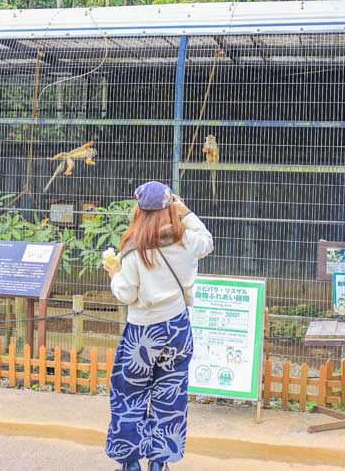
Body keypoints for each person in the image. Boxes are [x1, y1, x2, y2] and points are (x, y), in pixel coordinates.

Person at [103, 181, 214, 471]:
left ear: (138, 210)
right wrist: (186, 212)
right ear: (170, 208)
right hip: (177, 327)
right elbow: (208, 240)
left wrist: (114, 273)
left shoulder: (134, 247)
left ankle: (130, 464)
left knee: (129, 395)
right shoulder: (187, 241)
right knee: (170, 396)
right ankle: (158, 463)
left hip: (143, 332)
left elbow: (126, 294)